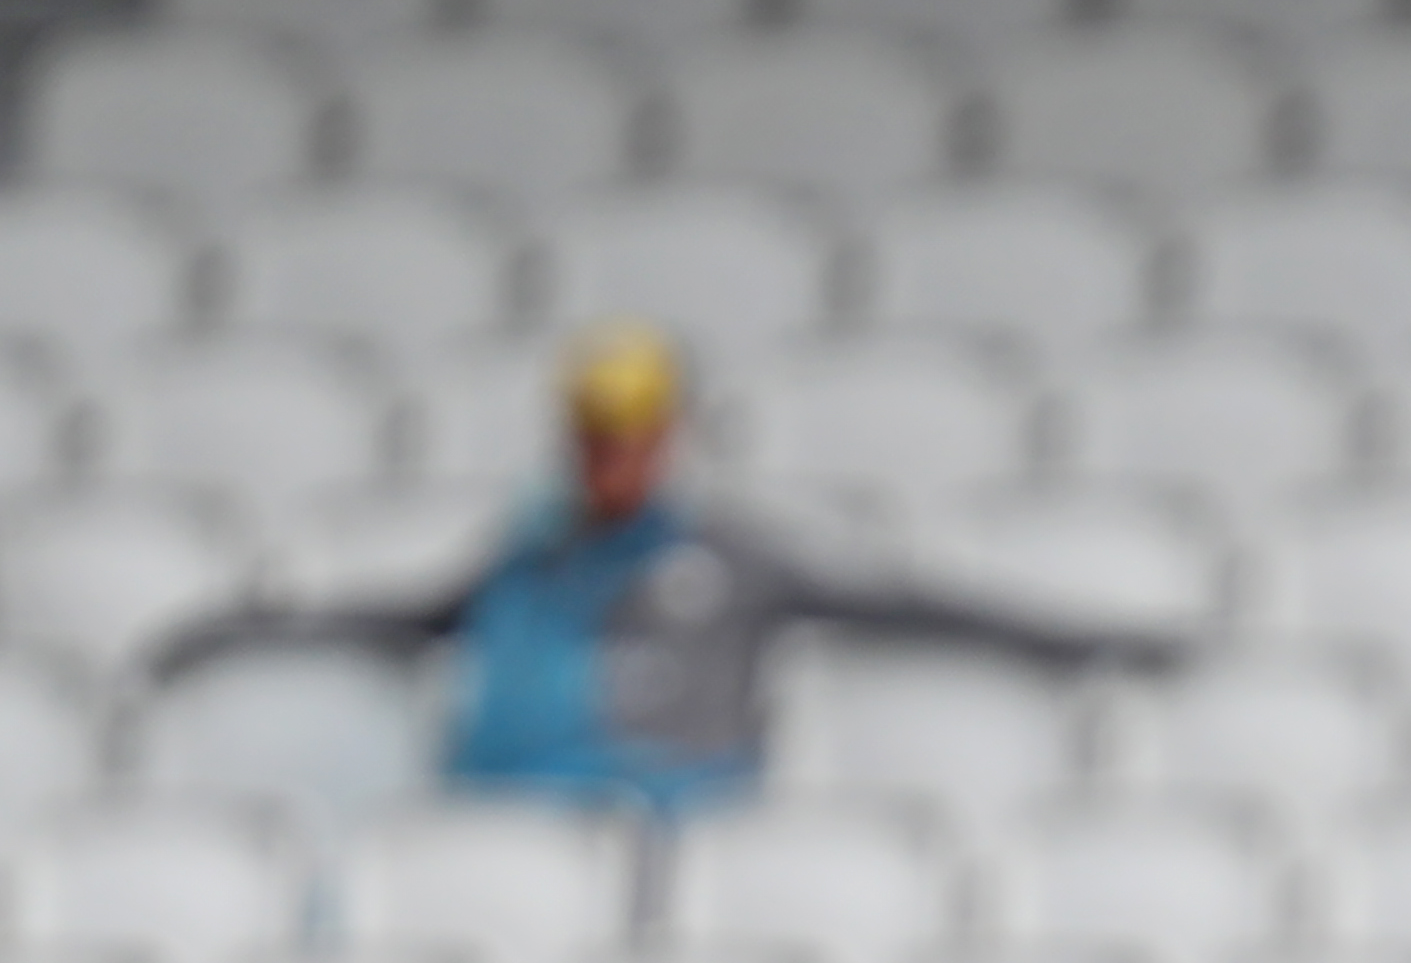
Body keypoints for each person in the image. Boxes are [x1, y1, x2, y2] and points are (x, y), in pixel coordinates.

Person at [152, 321, 1178, 817]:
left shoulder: (729, 556)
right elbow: (406, 618)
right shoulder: (528, 556)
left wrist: (1085, 641)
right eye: (594, 437)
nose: (610, 459)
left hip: (659, 816)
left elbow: (902, 603)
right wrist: (245, 628)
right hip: (506, 814)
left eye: (629, 436)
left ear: (666, 439)